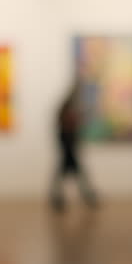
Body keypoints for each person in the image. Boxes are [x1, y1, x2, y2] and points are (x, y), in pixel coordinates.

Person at [50, 81, 99, 213]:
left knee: (67, 173)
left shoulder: (69, 106)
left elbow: (71, 124)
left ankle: (60, 198)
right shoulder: (67, 107)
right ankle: (86, 197)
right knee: (73, 172)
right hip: (68, 145)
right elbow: (65, 125)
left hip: (69, 144)